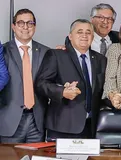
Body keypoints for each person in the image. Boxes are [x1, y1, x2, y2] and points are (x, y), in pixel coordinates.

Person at [35, 19, 107, 139]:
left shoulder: (101, 60)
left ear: (93, 36)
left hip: (92, 127)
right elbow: (41, 84)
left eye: (88, 32)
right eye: (79, 32)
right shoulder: (56, 55)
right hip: (62, 126)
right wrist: (62, 92)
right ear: (70, 36)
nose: (84, 35)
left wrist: (112, 97)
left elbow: (100, 92)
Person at [0, 9, 49, 143]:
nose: (26, 27)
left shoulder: (47, 52)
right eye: (21, 23)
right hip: (8, 122)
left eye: (30, 23)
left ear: (35, 27)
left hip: (37, 121)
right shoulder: (2, 51)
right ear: (13, 26)